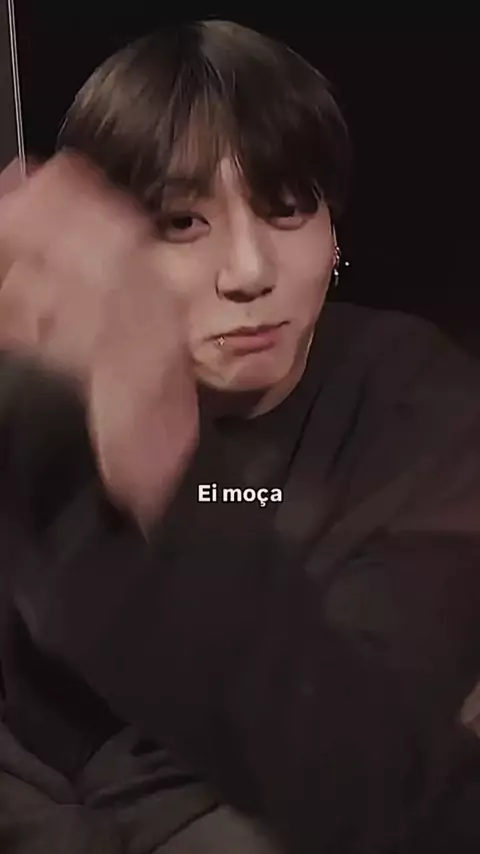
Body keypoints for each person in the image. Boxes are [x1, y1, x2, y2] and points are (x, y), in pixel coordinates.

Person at [0, 18, 480, 854]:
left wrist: (167, 470)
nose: (250, 272)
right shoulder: (41, 397)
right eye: (180, 222)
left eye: (287, 209)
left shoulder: (417, 400)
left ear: (335, 233)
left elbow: (378, 771)